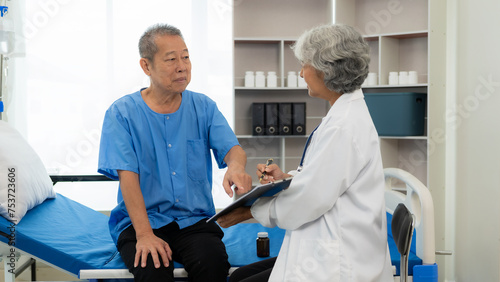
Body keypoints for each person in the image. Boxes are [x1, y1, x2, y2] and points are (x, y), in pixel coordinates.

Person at [217, 24, 394, 281]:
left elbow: (310, 199)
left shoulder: (343, 126)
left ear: (327, 69)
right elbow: (323, 180)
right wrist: (287, 178)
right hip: (327, 244)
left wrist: (248, 212)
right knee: (239, 278)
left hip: (337, 260)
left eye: (305, 65)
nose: (301, 73)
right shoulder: (343, 114)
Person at [98, 23, 252, 282]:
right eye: (171, 59)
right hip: (140, 222)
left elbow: (232, 149)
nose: (182, 66)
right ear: (146, 66)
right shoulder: (122, 113)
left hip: (193, 221)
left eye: (186, 57)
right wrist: (145, 235)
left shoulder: (203, 107)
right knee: (152, 271)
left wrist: (235, 167)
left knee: (212, 265)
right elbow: (128, 178)